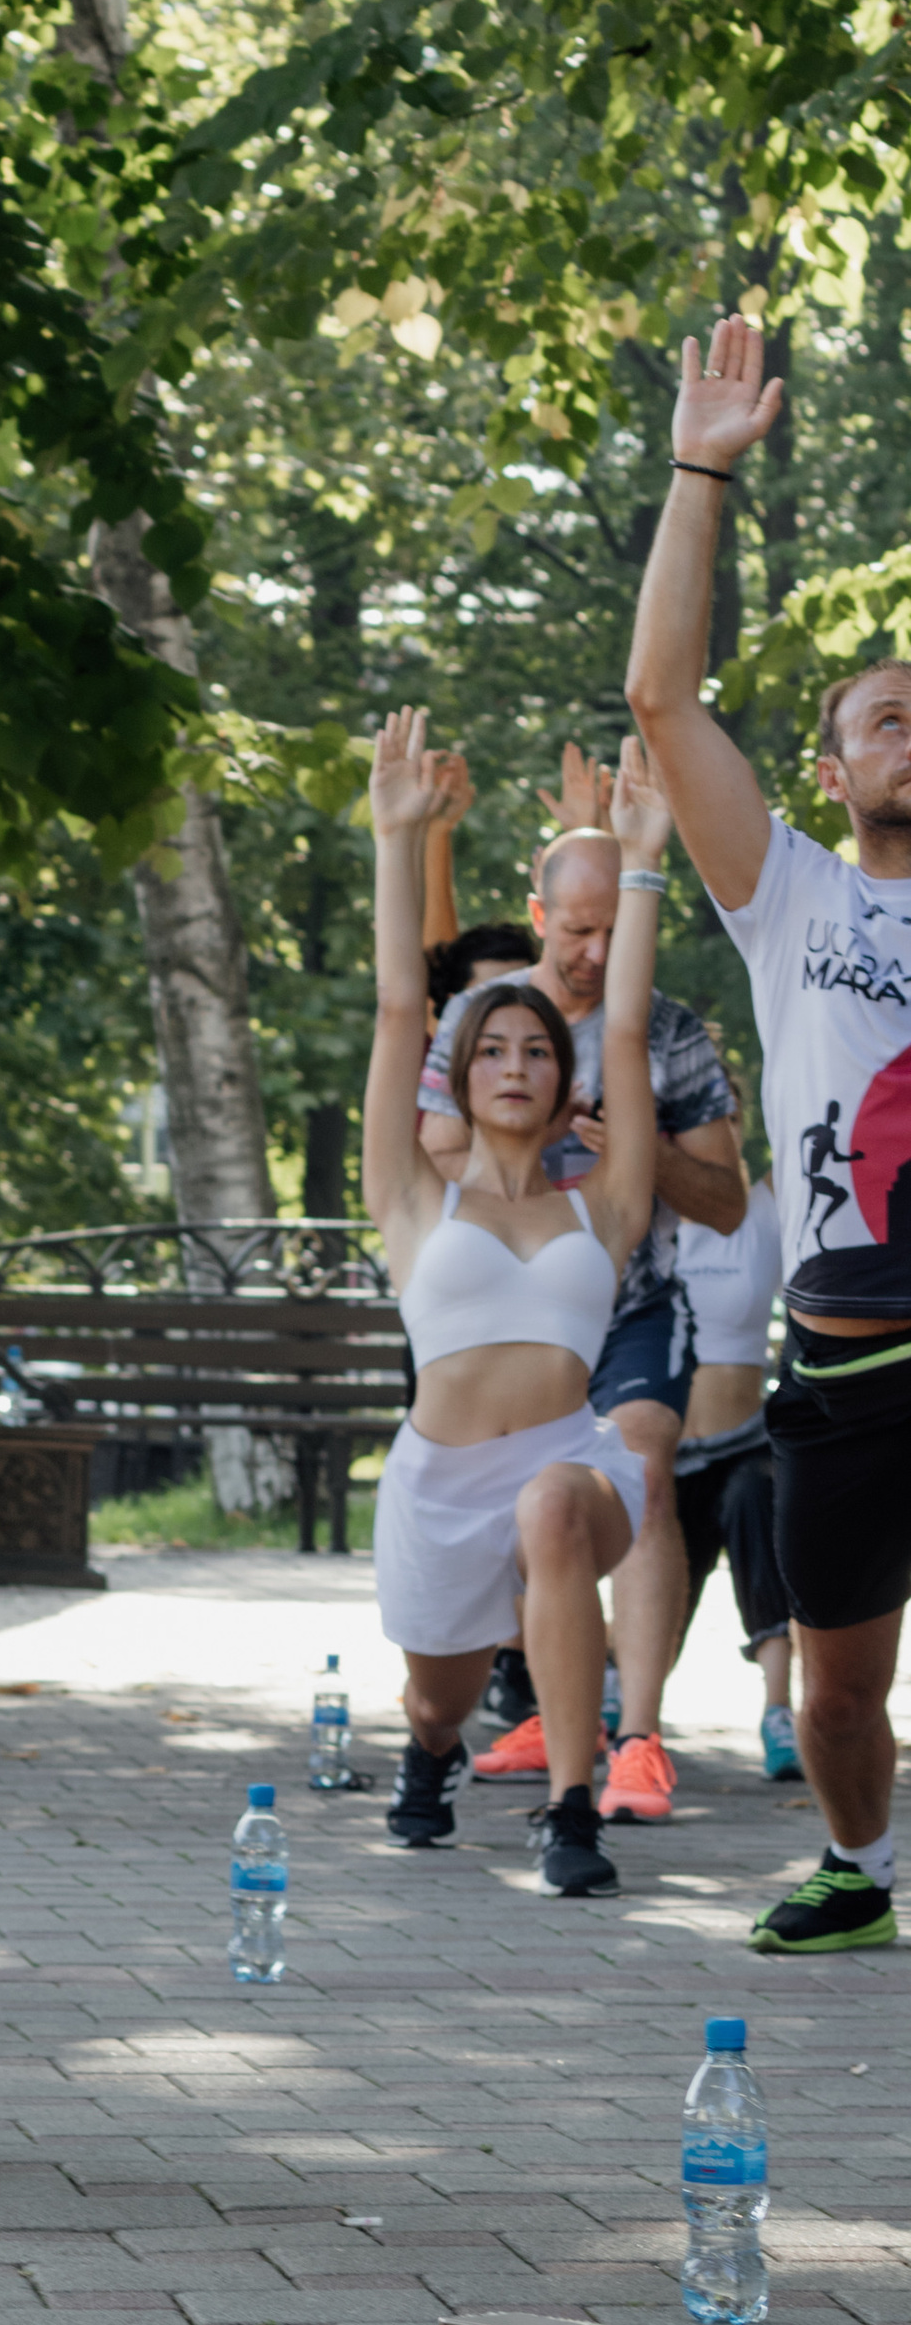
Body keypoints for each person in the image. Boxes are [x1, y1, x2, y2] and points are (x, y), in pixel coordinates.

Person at [625, 312, 911, 1953]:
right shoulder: (789, 891)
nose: (906, 733)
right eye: (881, 716)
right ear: (826, 766)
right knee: (839, 1684)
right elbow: (661, 695)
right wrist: (699, 472)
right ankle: (859, 1874)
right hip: (851, 1363)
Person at [365, 707, 669, 1899]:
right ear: (462, 1070)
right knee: (435, 1697)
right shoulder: (409, 1201)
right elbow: (400, 1008)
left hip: (570, 1459)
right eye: (490, 1050)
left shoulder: (603, 1209)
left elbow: (630, 1027)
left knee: (552, 1508)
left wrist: (638, 862)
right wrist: (399, 836)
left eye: (536, 1054)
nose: (513, 1065)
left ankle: (568, 1809)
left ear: (559, 1083)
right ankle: (431, 1752)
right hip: (437, 1482)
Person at [421, 800, 748, 1825]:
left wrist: (639, 1153)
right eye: (574, 931)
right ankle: (558, 1709)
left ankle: (638, 1738)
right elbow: (424, 1150)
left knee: (642, 1470)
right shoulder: (489, 1024)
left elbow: (729, 1202)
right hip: (508, 1318)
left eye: (613, 929)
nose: (596, 951)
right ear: (536, 915)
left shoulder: (668, 1032)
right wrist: (539, 1134)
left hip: (633, 1303)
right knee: (526, 1498)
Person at [671, 1168, 796, 1777]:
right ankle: (617, 1703)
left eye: (720, 1120)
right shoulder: (646, 1208)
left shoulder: (763, 1211)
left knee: (755, 1499)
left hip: (746, 1441)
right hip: (667, 1452)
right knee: (664, 1557)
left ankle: (780, 1713)